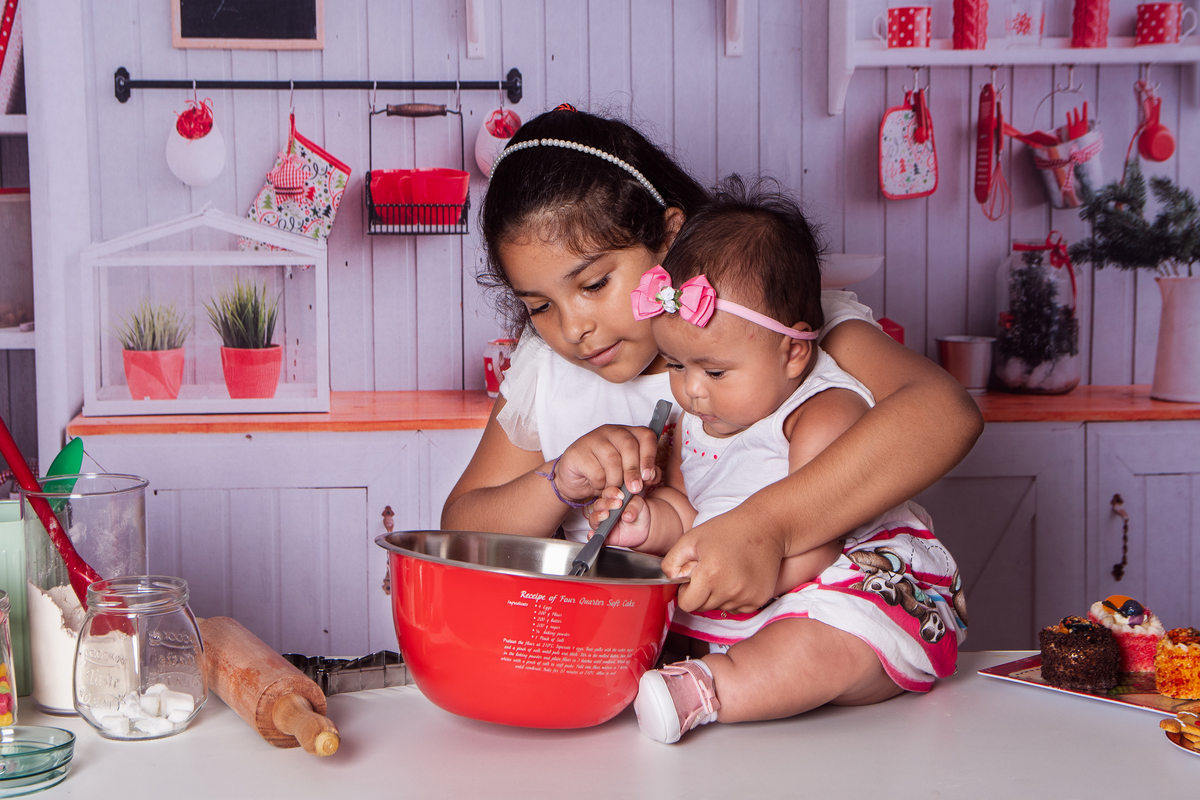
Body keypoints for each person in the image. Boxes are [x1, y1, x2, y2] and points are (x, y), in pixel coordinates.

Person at [440, 104, 981, 623]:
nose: (573, 328)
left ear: (668, 236)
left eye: (595, 283)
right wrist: (558, 480)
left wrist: (768, 527)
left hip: (815, 642)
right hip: (650, 673)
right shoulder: (549, 372)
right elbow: (462, 533)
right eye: (539, 306)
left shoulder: (772, 319)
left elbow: (944, 413)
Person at [584, 177, 967, 743]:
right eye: (676, 364)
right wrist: (647, 524)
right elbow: (696, 516)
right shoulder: (695, 423)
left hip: (842, 583)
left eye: (713, 371)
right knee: (675, 623)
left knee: (822, 642)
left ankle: (712, 691)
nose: (692, 391)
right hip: (765, 593)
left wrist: (748, 581)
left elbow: (819, 540)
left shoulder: (821, 414)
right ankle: (721, 669)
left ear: (793, 352)